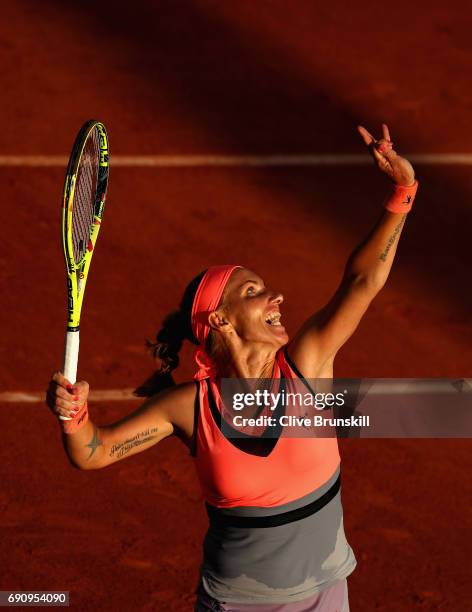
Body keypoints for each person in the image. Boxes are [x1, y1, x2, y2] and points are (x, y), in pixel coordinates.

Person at [47, 124, 418, 611]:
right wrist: (74, 417)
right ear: (219, 319)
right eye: (253, 290)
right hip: (236, 604)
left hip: (326, 597)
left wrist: (402, 192)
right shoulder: (190, 406)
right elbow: (94, 452)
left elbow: (363, 280)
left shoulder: (307, 364)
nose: (275, 295)